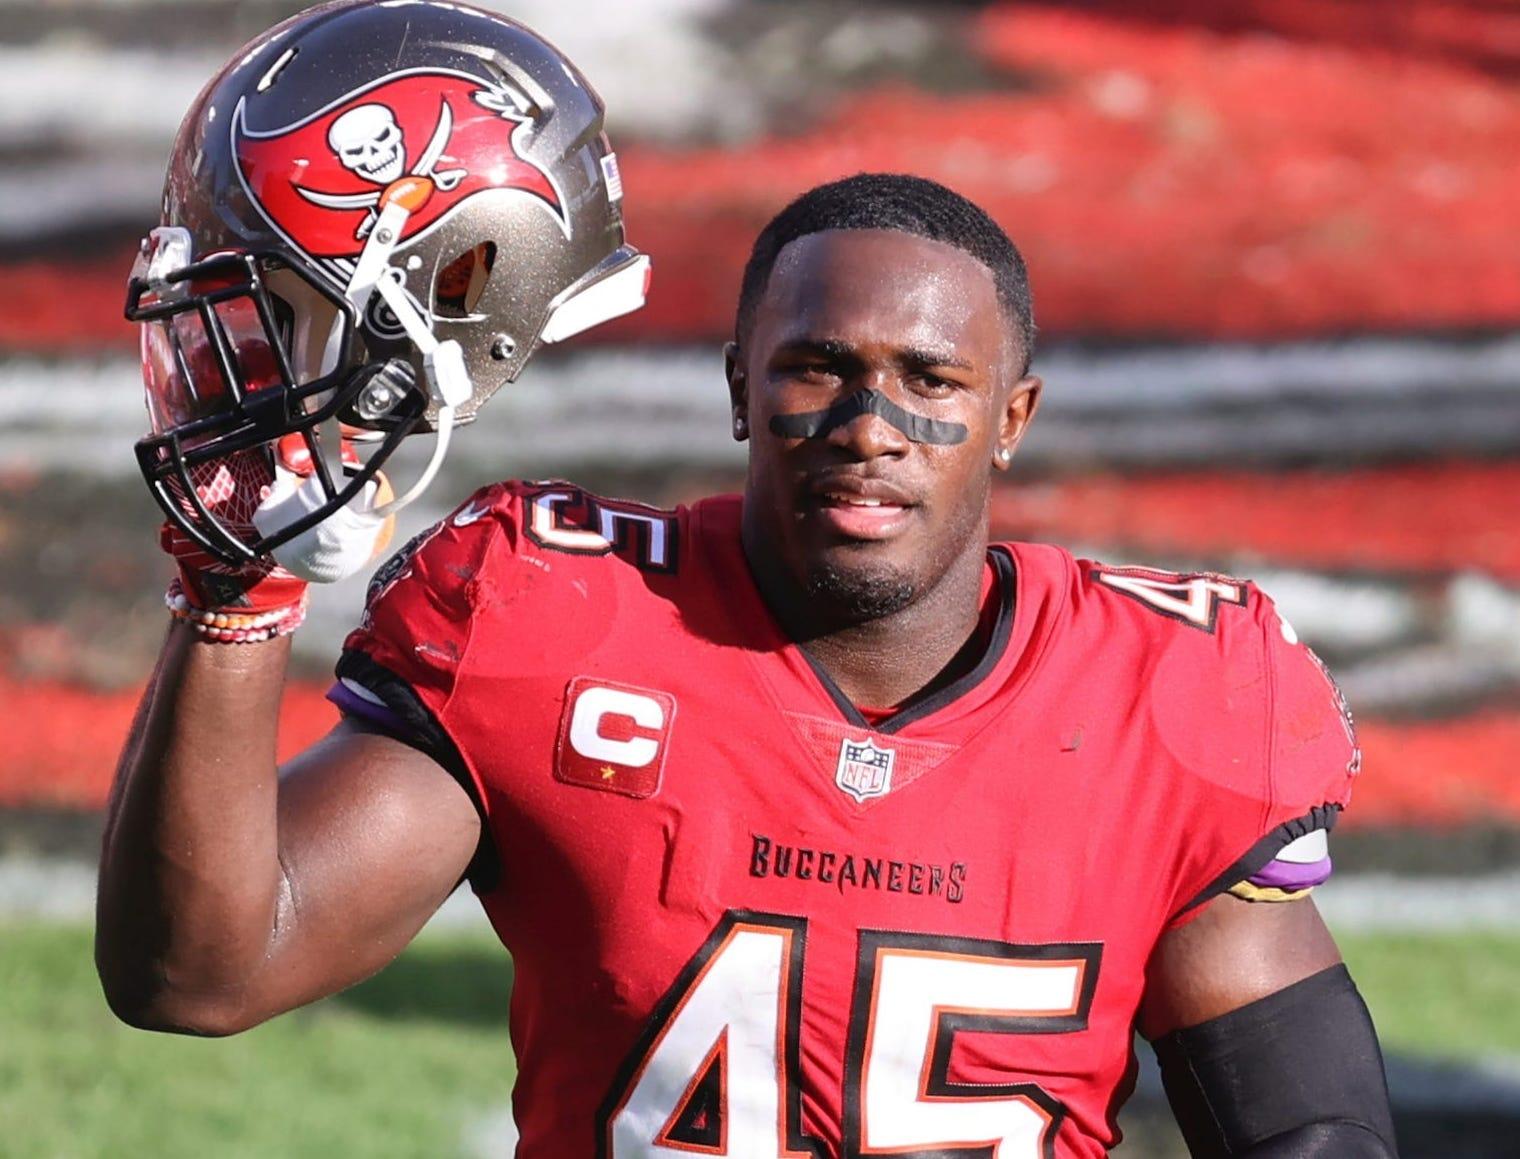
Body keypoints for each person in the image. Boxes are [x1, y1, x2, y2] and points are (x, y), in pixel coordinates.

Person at [97, 3, 1398, 1155]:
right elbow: (200, 973)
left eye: (930, 380)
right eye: (816, 366)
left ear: (1012, 417)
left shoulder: (1165, 696)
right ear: (738, 387)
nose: (868, 424)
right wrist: (234, 598)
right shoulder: (555, 619)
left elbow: (1310, 1129)